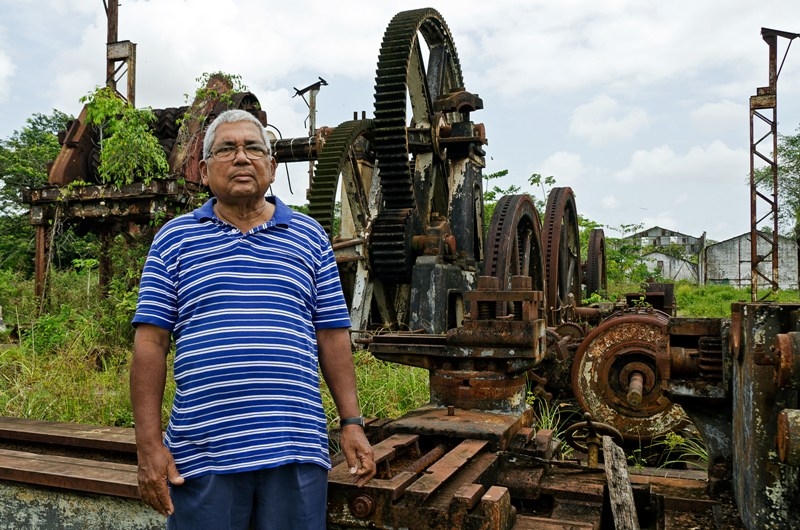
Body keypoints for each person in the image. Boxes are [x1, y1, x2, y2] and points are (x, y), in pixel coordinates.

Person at [130, 108, 375, 529]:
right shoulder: (174, 239)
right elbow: (150, 344)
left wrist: (351, 423)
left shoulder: (310, 236)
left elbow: (332, 335)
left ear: (272, 167)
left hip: (295, 449)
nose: (242, 158)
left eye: (253, 148)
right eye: (227, 149)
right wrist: (148, 446)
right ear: (205, 171)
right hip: (203, 453)